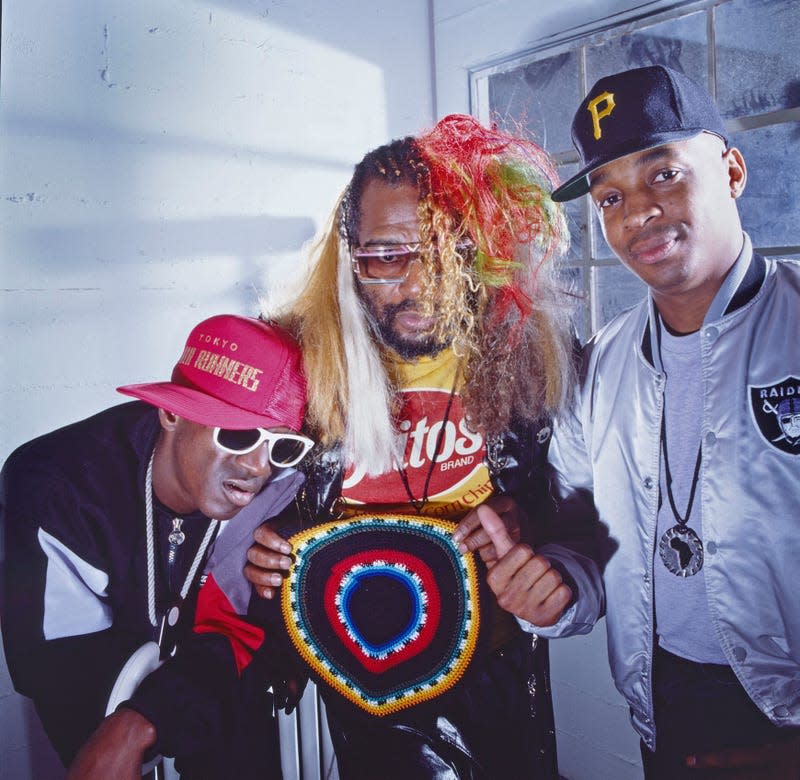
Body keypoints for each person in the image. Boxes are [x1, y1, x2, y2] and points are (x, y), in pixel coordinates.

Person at [242, 114, 597, 779]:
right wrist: (258, 547)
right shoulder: (299, 369)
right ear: (350, 257)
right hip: (357, 686)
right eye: (386, 255)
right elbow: (213, 501)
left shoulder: (534, 360)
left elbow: (597, 520)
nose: (418, 283)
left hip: (496, 680)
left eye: (446, 250)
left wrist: (536, 534)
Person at [475, 65, 800, 779]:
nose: (637, 213)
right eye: (611, 196)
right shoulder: (606, 361)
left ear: (733, 169)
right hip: (663, 712)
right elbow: (581, 533)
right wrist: (555, 582)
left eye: (664, 175)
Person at [1, 314, 313, 778]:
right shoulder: (58, 489)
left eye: (280, 446)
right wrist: (132, 723)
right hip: (100, 690)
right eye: (238, 434)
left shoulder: (281, 490)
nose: (258, 465)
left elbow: (245, 640)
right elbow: (57, 668)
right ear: (172, 413)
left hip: (218, 690)